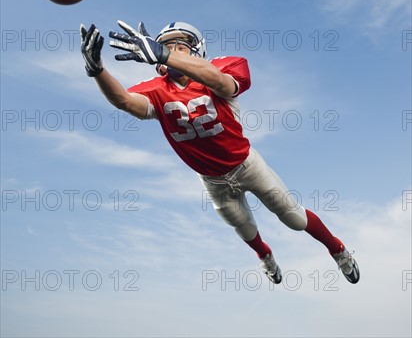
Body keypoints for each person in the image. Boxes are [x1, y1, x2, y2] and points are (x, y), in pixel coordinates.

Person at [80, 20, 360, 285]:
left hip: (246, 165)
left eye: (181, 45)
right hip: (211, 179)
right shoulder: (156, 90)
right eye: (168, 45)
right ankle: (265, 255)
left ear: (197, 49)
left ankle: (338, 249)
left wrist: (164, 53)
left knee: (294, 218)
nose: (173, 50)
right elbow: (125, 101)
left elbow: (220, 82)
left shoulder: (221, 68)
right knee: (244, 228)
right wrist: (98, 72)